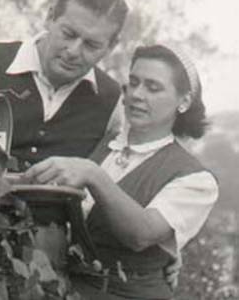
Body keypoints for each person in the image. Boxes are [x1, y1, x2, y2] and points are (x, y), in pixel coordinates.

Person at [23, 44, 219, 299]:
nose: (137, 94)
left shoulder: (196, 180)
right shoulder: (106, 143)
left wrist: (94, 175)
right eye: (134, 82)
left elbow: (141, 234)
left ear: (183, 101)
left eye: (153, 87)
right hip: (69, 289)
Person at [0, 0, 129, 169]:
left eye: (92, 45)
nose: (73, 51)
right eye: (68, 34)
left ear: (111, 46)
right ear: (50, 17)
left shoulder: (112, 101)